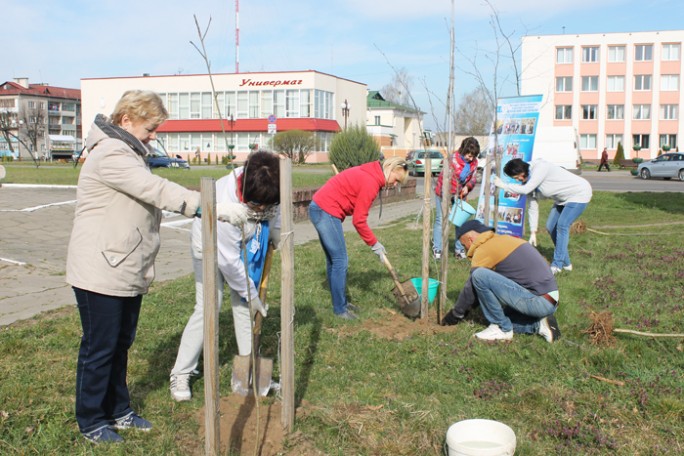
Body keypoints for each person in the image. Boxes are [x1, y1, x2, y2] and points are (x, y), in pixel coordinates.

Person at [66, 90, 247, 444]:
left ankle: (119, 410)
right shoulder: (112, 154)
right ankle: (91, 420)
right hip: (100, 268)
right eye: (150, 128)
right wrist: (210, 206)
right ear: (126, 120)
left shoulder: (129, 152)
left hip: (121, 264)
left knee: (120, 344)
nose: (154, 136)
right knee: (100, 347)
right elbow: (155, 190)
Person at [170, 151, 280, 402]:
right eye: (256, 206)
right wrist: (252, 294)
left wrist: (276, 232)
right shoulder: (225, 197)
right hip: (209, 247)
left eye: (266, 205)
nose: (262, 209)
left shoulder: (271, 182)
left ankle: (247, 373)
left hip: (245, 242)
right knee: (209, 306)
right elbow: (229, 261)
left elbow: (278, 208)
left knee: (242, 306)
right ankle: (181, 372)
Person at [308, 157, 409, 319]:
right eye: (396, 180)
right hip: (325, 210)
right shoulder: (371, 182)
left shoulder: (371, 173)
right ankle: (340, 310)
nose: (395, 184)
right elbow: (359, 221)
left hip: (321, 208)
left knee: (334, 261)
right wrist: (375, 244)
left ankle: (340, 303)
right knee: (340, 260)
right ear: (389, 170)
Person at [441, 220, 561, 343]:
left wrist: (456, 315)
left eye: (463, 244)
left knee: (479, 275)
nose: (465, 249)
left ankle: (500, 328)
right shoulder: (502, 240)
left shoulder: (483, 249)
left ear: (470, 239)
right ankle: (540, 325)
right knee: (499, 315)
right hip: (549, 299)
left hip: (539, 301)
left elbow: (472, 286)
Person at [493, 158, 592, 275]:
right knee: (550, 227)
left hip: (579, 193)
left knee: (562, 225)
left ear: (521, 170)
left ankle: (557, 265)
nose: (518, 180)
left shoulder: (540, 168)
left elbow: (525, 190)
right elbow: (532, 208)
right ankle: (566, 263)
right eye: (515, 179)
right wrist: (533, 232)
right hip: (562, 199)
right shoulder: (528, 183)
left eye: (517, 177)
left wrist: (504, 186)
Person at [432, 137, 480, 260]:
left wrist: (467, 188)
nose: (470, 158)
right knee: (440, 220)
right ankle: (438, 248)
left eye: (472, 156)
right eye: (468, 155)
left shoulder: (474, 164)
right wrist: (449, 196)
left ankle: (459, 249)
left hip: (460, 195)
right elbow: (445, 179)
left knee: (460, 222)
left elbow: (473, 179)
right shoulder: (452, 160)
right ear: (463, 151)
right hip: (444, 193)